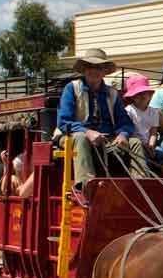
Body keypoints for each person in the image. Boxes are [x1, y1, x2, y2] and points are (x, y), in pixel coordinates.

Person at [56, 48, 149, 187]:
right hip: (73, 137)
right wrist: (87, 132)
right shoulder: (72, 88)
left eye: (98, 67)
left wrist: (123, 135)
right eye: (90, 66)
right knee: (81, 138)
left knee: (134, 141)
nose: (94, 70)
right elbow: (64, 122)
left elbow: (125, 122)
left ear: (104, 71)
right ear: (84, 69)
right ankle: (87, 185)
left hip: (107, 139)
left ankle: (142, 184)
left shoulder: (112, 93)